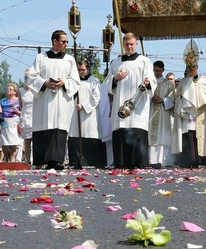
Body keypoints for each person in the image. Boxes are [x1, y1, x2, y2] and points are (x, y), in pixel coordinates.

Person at [27, 30, 80, 170]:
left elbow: (75, 80)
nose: (66, 44)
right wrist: (45, 83)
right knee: (44, 126)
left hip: (62, 100)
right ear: (54, 41)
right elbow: (31, 77)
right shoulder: (40, 58)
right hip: (44, 99)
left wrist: (64, 83)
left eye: (67, 41)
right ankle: (41, 159)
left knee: (59, 128)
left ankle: (57, 160)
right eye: (63, 41)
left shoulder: (69, 59)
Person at [105, 32, 157, 169]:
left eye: (132, 44)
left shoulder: (144, 61)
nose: (129, 47)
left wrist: (148, 82)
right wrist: (115, 78)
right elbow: (107, 84)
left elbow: (152, 80)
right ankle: (121, 164)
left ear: (136, 44)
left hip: (138, 106)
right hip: (120, 105)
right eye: (127, 44)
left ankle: (139, 165)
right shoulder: (116, 62)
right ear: (123, 45)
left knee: (137, 134)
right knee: (121, 134)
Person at [173, 44, 206, 168]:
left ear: (197, 66)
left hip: (200, 114)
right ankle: (189, 160)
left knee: (200, 138)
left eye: (193, 66)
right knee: (188, 137)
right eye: (188, 66)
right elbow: (178, 96)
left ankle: (202, 159)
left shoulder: (204, 80)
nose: (190, 68)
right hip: (187, 115)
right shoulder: (183, 81)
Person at [68, 60, 105, 169]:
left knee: (90, 133)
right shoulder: (74, 82)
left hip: (89, 114)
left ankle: (92, 161)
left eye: (83, 70)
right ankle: (76, 161)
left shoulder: (94, 81)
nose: (80, 72)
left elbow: (96, 97)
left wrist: (83, 105)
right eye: (78, 70)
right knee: (75, 134)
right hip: (75, 113)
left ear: (88, 69)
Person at [148, 60, 175, 168]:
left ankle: (162, 160)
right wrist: (151, 98)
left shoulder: (168, 84)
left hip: (163, 113)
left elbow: (172, 98)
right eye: (155, 70)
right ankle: (151, 160)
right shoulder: (149, 82)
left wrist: (163, 100)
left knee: (163, 136)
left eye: (159, 71)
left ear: (163, 70)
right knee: (151, 137)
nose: (157, 73)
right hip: (151, 112)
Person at [0, 83, 22, 162]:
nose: (8, 91)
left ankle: (12, 160)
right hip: (4, 122)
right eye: (7, 89)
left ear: (15, 91)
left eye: (10, 89)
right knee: (4, 143)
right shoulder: (2, 101)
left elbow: (22, 112)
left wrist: (17, 111)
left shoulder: (18, 100)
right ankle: (7, 157)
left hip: (14, 121)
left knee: (13, 142)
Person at [19, 69, 34, 165]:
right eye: (26, 77)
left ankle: (35, 160)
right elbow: (21, 106)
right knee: (27, 141)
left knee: (35, 141)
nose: (27, 79)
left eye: (29, 77)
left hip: (35, 115)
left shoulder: (34, 90)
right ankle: (27, 160)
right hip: (25, 116)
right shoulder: (20, 91)